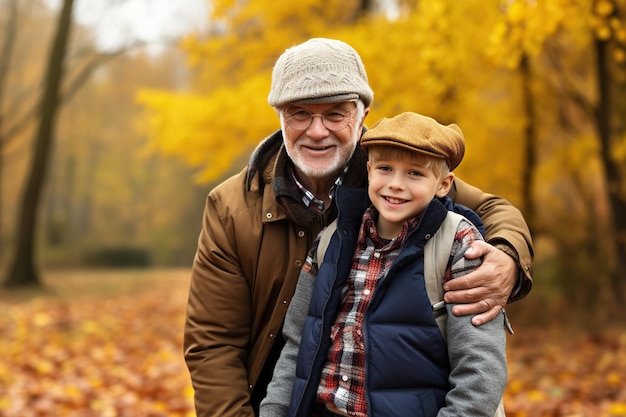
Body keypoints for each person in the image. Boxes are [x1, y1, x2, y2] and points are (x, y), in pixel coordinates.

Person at [183, 38, 533, 417]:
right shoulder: (232, 207)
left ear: (363, 115)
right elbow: (213, 343)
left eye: (336, 114)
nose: (317, 131)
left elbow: (494, 209)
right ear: (280, 116)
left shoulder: (395, 174)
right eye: (300, 113)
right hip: (277, 398)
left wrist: (509, 259)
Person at [259, 111, 508, 417]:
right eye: (385, 169)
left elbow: (480, 370)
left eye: (414, 173)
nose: (395, 184)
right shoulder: (331, 242)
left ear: (444, 184)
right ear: (369, 171)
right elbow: (296, 345)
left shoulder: (459, 247)